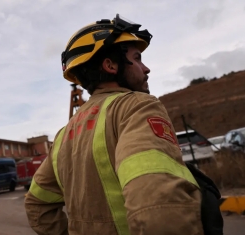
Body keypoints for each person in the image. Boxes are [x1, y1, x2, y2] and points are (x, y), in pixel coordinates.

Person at [25, 14, 222, 235]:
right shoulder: (136, 107)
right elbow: (158, 210)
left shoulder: (63, 136)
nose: (146, 68)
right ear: (110, 65)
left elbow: (37, 204)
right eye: (137, 59)